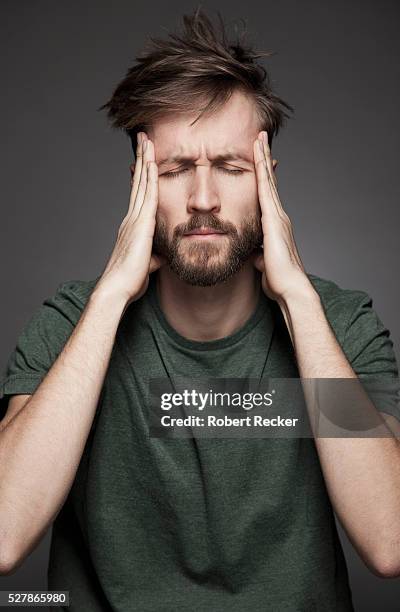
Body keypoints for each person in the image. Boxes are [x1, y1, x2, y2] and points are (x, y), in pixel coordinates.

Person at [1, 7, 400, 611]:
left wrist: (298, 301)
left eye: (233, 168)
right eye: (176, 169)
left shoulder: (338, 324)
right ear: (139, 182)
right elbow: (5, 536)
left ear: (269, 181)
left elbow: (389, 540)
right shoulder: (71, 325)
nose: (205, 200)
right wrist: (110, 297)